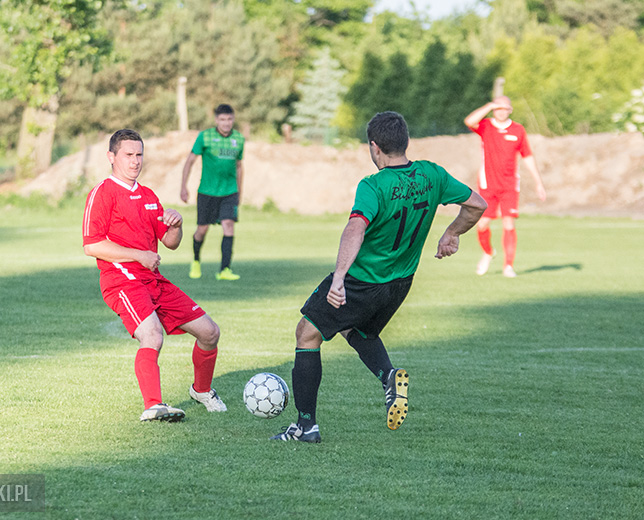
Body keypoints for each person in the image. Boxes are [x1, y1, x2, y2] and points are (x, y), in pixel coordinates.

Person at [270, 112, 487, 443]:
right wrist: (452, 233)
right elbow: (477, 204)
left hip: (363, 280)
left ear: (375, 147)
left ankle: (305, 426)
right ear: (405, 141)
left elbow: (356, 227)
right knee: (354, 328)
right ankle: (388, 376)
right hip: (399, 284)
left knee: (307, 334)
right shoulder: (432, 174)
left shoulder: (373, 185)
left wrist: (339, 277)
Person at [83, 129, 228, 422]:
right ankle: (154, 405)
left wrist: (176, 225)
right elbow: (92, 245)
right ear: (111, 157)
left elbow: (170, 243)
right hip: (122, 280)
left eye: (139, 155)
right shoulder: (103, 192)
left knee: (210, 332)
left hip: (153, 279)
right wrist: (139, 255)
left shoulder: (148, 196)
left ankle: (201, 390)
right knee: (152, 335)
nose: (135, 161)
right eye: (128, 155)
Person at [464, 96, 546, 278]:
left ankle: (508, 266)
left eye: (504, 108)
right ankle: (488, 252)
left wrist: (538, 182)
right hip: (488, 185)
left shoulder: (518, 130)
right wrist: (489, 105)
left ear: (510, 110)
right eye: (497, 108)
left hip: (509, 185)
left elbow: (527, 156)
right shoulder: (486, 126)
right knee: (483, 223)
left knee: (509, 223)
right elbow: (469, 121)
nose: (501, 111)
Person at [180, 104, 245, 281]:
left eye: (229, 119)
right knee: (202, 230)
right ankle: (195, 260)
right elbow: (190, 161)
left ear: (233, 119)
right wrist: (183, 186)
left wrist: (239, 191)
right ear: (216, 120)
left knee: (228, 225)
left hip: (229, 192)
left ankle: (225, 269)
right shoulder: (205, 137)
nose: (226, 123)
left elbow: (239, 166)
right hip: (207, 192)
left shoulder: (239, 139)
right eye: (222, 119)